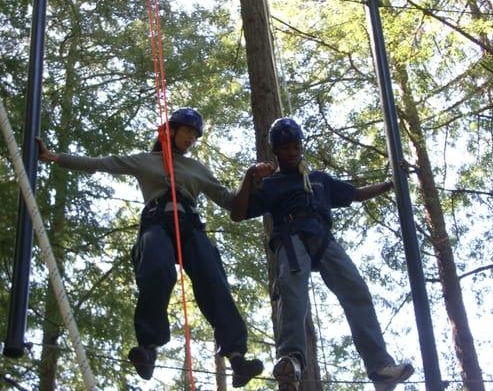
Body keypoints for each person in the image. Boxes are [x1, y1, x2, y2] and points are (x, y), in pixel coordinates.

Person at [36, 108, 269, 387]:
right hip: (157, 223)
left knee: (213, 280)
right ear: (170, 130)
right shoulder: (144, 161)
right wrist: (54, 157)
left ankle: (236, 356)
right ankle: (148, 347)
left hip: (190, 226)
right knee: (157, 270)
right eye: (187, 132)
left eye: (195, 136)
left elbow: (231, 203)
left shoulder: (197, 169)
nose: (191, 139)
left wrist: (249, 179)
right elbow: (101, 163)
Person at [231, 118, 414, 391]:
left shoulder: (318, 180)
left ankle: (379, 367)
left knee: (357, 291)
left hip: (323, 238)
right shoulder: (272, 185)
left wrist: (391, 183)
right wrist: (249, 177)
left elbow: (355, 194)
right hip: (291, 239)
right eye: (285, 148)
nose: (292, 152)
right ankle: (290, 361)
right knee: (293, 294)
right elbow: (238, 213)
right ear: (276, 151)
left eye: (295, 146)